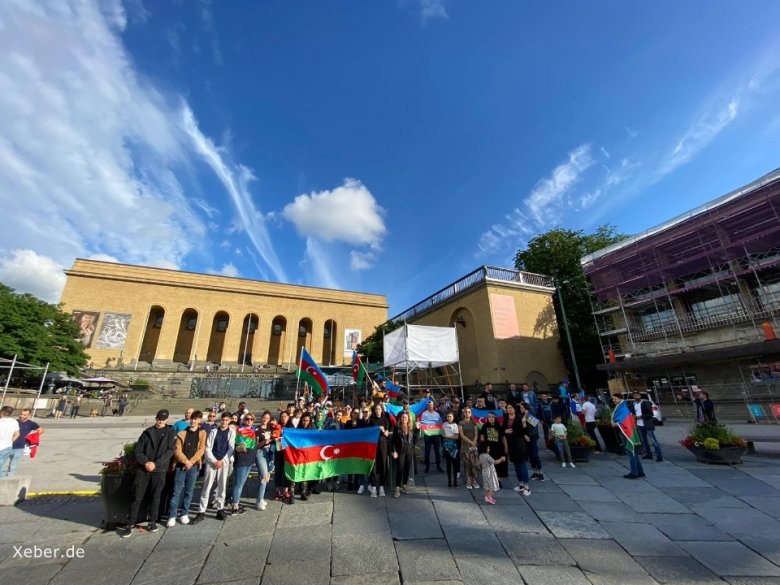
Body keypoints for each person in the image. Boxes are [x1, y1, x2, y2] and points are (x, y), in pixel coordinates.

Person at [120, 410, 177, 537]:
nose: (160, 421)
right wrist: (146, 463)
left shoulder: (171, 433)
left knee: (156, 497)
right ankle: (130, 524)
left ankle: (152, 521)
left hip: (159, 469)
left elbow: (170, 451)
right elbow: (138, 450)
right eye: (158, 419)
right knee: (137, 496)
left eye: (162, 419)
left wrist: (155, 464)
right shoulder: (147, 432)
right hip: (144, 468)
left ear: (166, 420)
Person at [166, 410, 206, 527]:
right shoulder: (182, 433)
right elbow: (177, 450)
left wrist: (192, 462)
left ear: (200, 420)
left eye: (196, 419)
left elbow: (202, 449)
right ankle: (172, 515)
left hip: (193, 466)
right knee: (176, 491)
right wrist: (185, 461)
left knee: (189, 491)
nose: (193, 421)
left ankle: (184, 513)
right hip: (180, 466)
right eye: (192, 419)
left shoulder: (202, 433)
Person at [193, 411, 235, 523]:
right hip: (212, 462)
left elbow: (231, 448)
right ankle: (201, 511)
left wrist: (223, 460)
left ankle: (220, 509)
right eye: (223, 420)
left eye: (226, 420)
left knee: (222, 487)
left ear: (229, 421)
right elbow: (207, 447)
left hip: (223, 462)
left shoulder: (231, 432)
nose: (224, 422)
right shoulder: (213, 431)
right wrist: (214, 460)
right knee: (207, 486)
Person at [611, 394, 645, 480]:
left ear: (620, 398)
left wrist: (615, 423)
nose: (613, 400)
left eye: (615, 399)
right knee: (633, 452)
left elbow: (623, 421)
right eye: (613, 399)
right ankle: (640, 471)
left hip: (627, 432)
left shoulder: (622, 407)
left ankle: (634, 473)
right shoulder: (622, 406)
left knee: (631, 452)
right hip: (628, 431)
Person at [230, 412, 258, 513]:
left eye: (251, 419)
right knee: (238, 483)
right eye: (247, 419)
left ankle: (235, 501)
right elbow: (234, 445)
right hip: (241, 460)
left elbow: (256, 445)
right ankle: (234, 507)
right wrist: (239, 448)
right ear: (243, 420)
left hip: (250, 460)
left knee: (241, 483)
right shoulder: (239, 430)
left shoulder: (254, 430)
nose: (249, 420)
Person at [5, 409, 44, 477]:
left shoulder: (31, 423)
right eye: (21, 414)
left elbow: (41, 430)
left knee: (12, 466)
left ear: (29, 415)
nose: (21, 416)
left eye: (24, 415)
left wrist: (31, 438)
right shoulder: (14, 421)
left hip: (19, 447)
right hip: (6, 445)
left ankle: (8, 480)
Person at [503, 403, 531, 496]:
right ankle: (521, 484)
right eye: (508, 408)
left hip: (519, 443)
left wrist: (524, 424)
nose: (509, 409)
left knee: (521, 464)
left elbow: (525, 431)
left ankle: (527, 486)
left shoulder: (519, 418)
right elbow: (502, 429)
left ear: (515, 409)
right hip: (510, 444)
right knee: (516, 464)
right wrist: (505, 431)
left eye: (511, 408)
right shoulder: (506, 418)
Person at [368, 403, 391, 497]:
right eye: (376, 409)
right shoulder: (372, 420)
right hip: (374, 445)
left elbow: (386, 434)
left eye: (379, 409)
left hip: (383, 444)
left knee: (383, 465)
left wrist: (382, 430)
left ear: (382, 410)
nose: (377, 411)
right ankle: (373, 487)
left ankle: (381, 487)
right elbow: (369, 433)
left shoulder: (385, 420)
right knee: (374, 465)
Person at [255, 410, 276, 510]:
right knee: (264, 476)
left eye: (267, 418)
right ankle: (259, 501)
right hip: (260, 452)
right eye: (264, 417)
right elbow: (255, 446)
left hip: (270, 453)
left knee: (267, 475)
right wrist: (264, 441)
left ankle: (261, 498)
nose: (265, 419)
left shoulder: (270, 428)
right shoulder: (257, 430)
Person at [633, 392, 663, 462]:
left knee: (653, 441)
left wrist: (640, 417)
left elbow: (650, 414)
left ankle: (659, 456)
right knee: (644, 441)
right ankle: (648, 454)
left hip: (647, 424)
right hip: (639, 424)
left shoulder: (645, 403)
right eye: (635, 396)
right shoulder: (633, 404)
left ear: (640, 396)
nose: (636, 397)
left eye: (637, 395)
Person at [518, 402, 544, 481]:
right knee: (530, 455)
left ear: (525, 408)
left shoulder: (530, 416)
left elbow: (535, 429)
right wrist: (524, 435)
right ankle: (535, 472)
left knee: (535, 454)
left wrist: (529, 436)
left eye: (522, 408)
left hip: (533, 438)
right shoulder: (521, 416)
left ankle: (541, 472)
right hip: (525, 438)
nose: (520, 409)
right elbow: (521, 428)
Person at [391, 411, 415, 497]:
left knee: (406, 469)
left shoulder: (410, 428)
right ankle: (397, 488)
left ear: (408, 419)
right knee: (400, 469)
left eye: (406, 418)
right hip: (400, 451)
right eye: (403, 417)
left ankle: (404, 485)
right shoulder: (397, 427)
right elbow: (393, 441)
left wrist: (418, 429)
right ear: (400, 419)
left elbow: (414, 440)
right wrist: (394, 451)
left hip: (409, 451)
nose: (404, 419)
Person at [479, 411, 507, 478]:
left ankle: (498, 480)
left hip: (499, 448)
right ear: (487, 418)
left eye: (493, 417)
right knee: (490, 464)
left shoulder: (499, 426)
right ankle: (491, 479)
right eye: (489, 417)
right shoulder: (485, 426)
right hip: (488, 448)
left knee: (499, 465)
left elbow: (503, 437)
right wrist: (483, 447)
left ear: (495, 418)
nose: (491, 418)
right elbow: (482, 437)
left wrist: (506, 447)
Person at [418, 400, 443, 473]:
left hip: (436, 435)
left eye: (431, 405)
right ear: (427, 406)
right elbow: (422, 424)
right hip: (428, 435)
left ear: (433, 406)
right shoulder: (424, 414)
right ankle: (427, 466)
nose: (430, 406)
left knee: (437, 451)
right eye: (429, 405)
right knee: (427, 451)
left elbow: (439, 423)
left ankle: (438, 466)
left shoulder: (437, 414)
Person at [458, 406, 480, 489]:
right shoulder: (461, 423)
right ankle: (469, 480)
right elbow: (462, 435)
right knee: (467, 463)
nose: (467, 413)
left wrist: (474, 442)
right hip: (465, 445)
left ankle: (474, 480)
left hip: (474, 444)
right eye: (466, 412)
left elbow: (476, 433)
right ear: (463, 413)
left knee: (475, 462)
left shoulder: (473, 422)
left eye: (469, 412)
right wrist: (471, 442)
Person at [0, 406, 21, 478]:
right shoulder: (14, 422)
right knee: (1, 465)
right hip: (7, 446)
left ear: (1, 412)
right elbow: (17, 435)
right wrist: (9, 441)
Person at [441, 411, 460, 488]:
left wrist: (447, 437)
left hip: (454, 447)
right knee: (448, 465)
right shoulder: (444, 424)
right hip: (446, 446)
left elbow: (456, 437)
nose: (449, 418)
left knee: (454, 465)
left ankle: (455, 481)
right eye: (448, 416)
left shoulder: (455, 425)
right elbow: (442, 434)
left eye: (450, 416)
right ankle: (449, 481)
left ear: (453, 417)